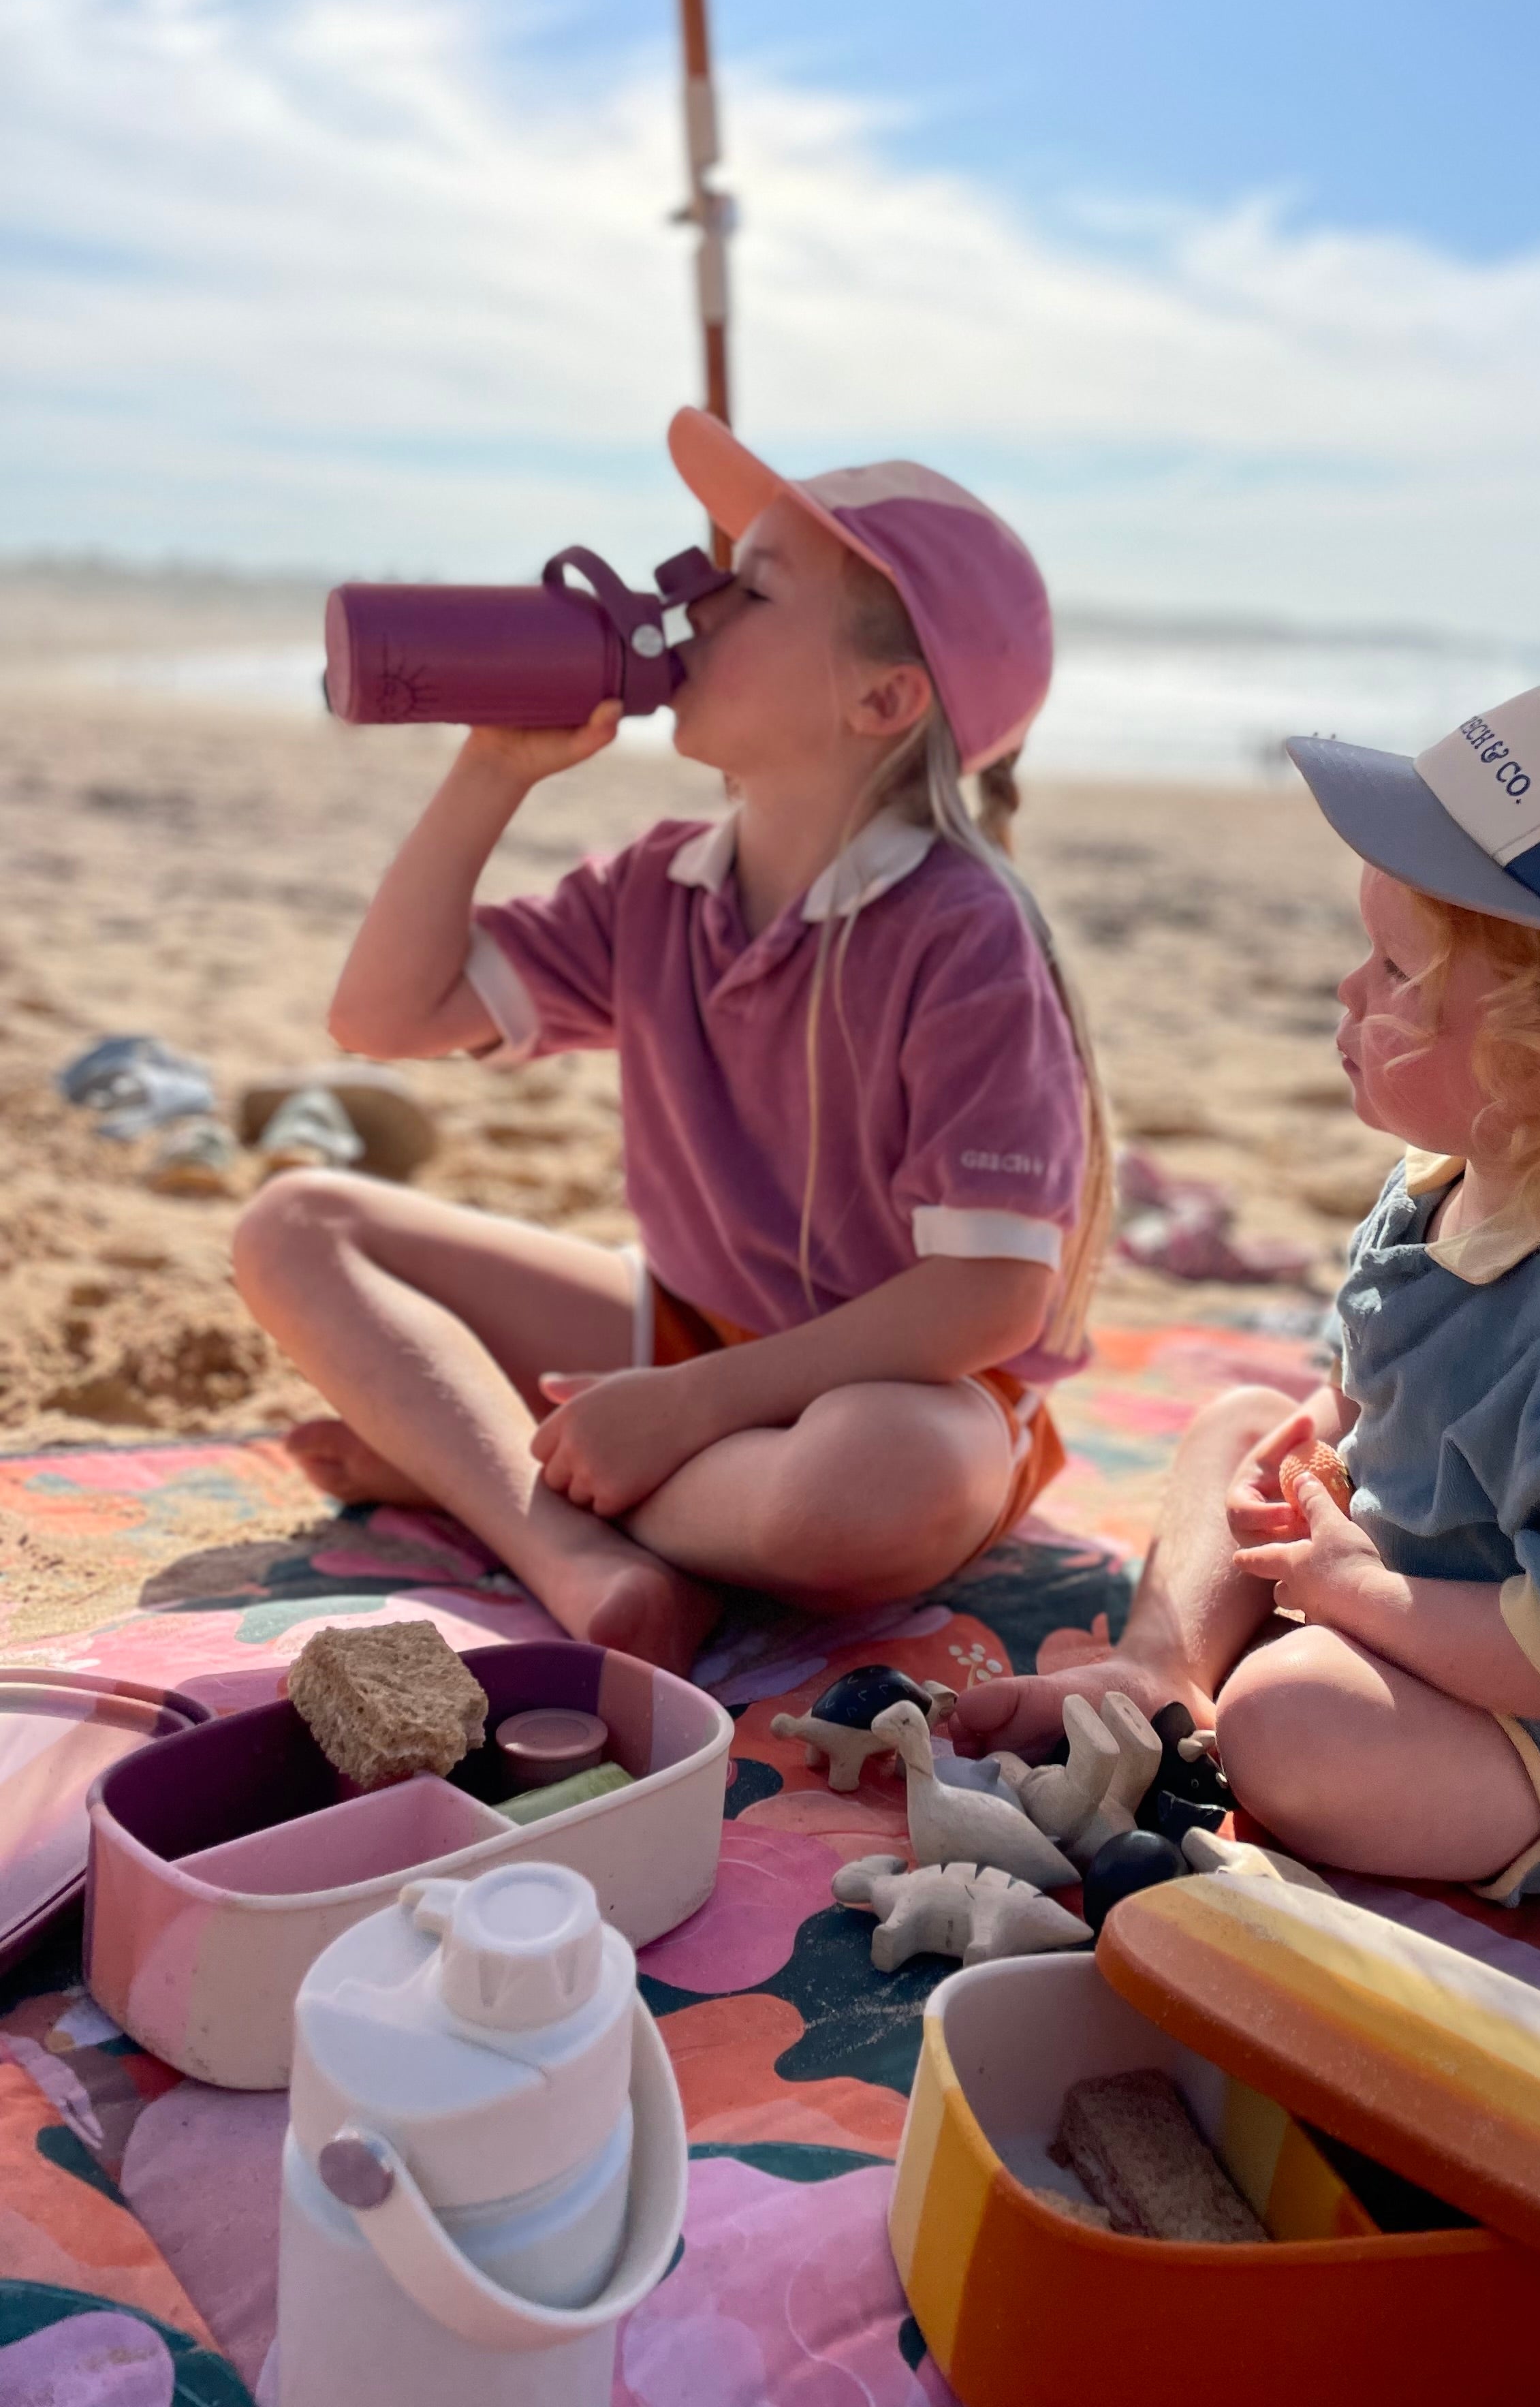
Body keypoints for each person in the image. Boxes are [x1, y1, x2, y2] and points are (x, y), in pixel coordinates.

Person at [952, 683, 1540, 1901]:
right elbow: (1379, 1385)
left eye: (1395, 971)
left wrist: (1360, 1595)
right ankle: (1162, 1670)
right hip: (1451, 1589)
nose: (1347, 993)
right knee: (1239, 1421)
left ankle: (1253, 1689)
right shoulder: (1445, 1182)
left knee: (1288, 1722)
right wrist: (1324, 1442)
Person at [234, 416, 1110, 1673]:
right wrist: (494, 771)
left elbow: (990, 1296)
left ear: (883, 698)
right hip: (692, 1330)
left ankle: (488, 1475)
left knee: (871, 1483)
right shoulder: (659, 886)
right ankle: (577, 1554)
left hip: (905, 1388)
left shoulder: (964, 931)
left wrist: (685, 1411)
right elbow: (386, 1014)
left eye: (749, 587)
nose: (687, 603)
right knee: (294, 1224)